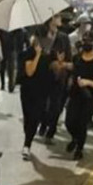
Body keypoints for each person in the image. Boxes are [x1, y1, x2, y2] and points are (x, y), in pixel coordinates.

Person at [65, 32, 93, 160]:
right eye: (84, 40)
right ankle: (75, 138)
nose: (86, 43)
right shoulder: (77, 57)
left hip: (90, 97)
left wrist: (87, 82)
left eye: (89, 41)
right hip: (75, 94)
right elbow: (73, 71)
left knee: (82, 123)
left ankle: (79, 149)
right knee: (69, 122)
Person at [19, 28, 53, 161]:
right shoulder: (27, 53)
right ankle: (28, 138)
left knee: (35, 117)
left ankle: (27, 145)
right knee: (28, 118)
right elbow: (30, 72)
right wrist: (37, 55)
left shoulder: (48, 54)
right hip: (28, 91)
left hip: (42, 91)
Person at [39, 14, 73, 144]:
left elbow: (69, 58)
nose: (60, 19)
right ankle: (43, 123)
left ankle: (51, 131)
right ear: (50, 19)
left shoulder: (64, 37)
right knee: (42, 105)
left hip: (59, 77)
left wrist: (62, 65)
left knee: (56, 106)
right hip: (44, 76)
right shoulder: (41, 36)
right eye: (57, 16)